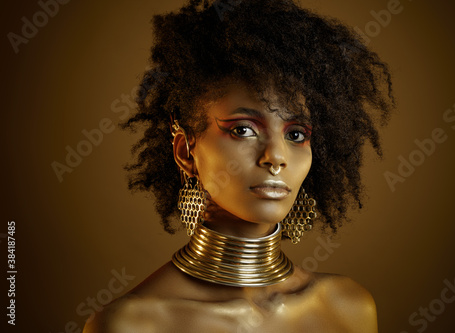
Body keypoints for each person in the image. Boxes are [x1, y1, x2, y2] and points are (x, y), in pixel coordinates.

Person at [83, 0, 393, 331]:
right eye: (242, 130)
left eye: (297, 133)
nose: (275, 157)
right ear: (186, 152)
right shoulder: (131, 325)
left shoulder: (348, 307)